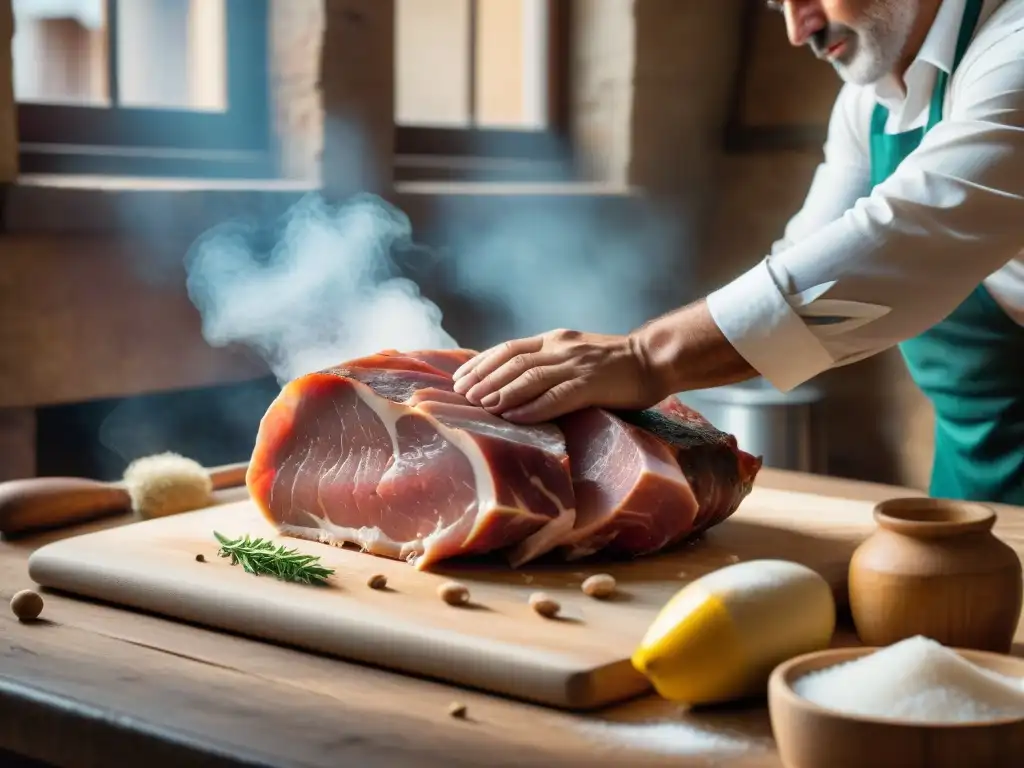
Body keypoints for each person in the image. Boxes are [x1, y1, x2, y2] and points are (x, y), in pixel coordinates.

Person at [451, 0, 1024, 505]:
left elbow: (900, 239)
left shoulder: (1013, 50)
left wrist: (646, 358)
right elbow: (807, 259)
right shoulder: (868, 103)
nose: (800, 30)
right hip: (971, 483)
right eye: (780, 5)